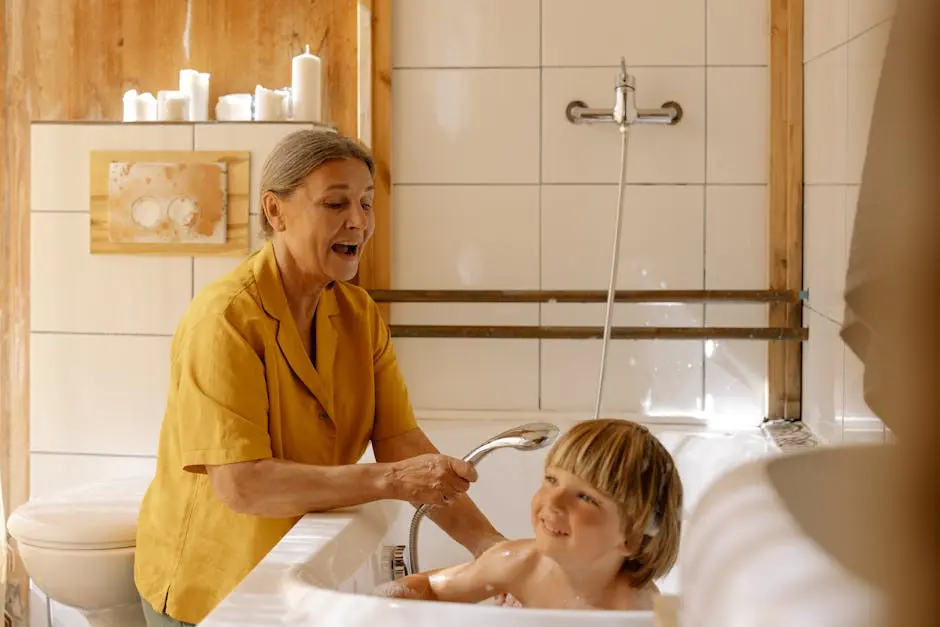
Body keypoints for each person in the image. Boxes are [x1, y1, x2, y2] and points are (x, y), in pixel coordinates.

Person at [133, 130, 505, 627]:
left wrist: (492, 548)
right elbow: (242, 485)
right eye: (335, 203)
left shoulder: (357, 312)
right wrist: (393, 481)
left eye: (366, 203)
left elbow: (398, 440)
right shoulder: (224, 319)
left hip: (292, 564)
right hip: (210, 588)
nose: (358, 221)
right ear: (275, 211)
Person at [375, 418, 683, 611]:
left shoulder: (636, 609)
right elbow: (432, 588)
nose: (554, 502)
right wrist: (396, 599)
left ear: (630, 538)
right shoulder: (521, 563)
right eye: (551, 480)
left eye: (585, 497)